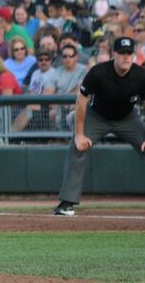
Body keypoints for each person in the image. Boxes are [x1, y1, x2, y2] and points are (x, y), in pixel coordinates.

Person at [54, 37, 145, 216]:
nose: (126, 57)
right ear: (114, 54)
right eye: (122, 53)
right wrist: (79, 134)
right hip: (97, 117)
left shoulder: (140, 75)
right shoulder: (99, 72)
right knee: (78, 147)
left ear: (133, 55)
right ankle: (67, 202)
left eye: (129, 53)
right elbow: (81, 102)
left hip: (128, 118)